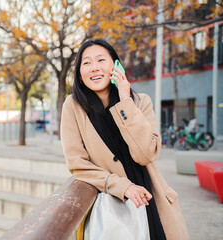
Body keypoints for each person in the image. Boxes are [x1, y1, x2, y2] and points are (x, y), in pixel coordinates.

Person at [60, 39, 189, 240]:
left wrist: (124, 101)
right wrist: (121, 185)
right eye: (86, 63)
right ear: (79, 73)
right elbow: (77, 164)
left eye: (101, 60)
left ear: (115, 65)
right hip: (112, 205)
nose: (94, 68)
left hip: (150, 199)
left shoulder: (140, 102)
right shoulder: (73, 106)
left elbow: (146, 154)